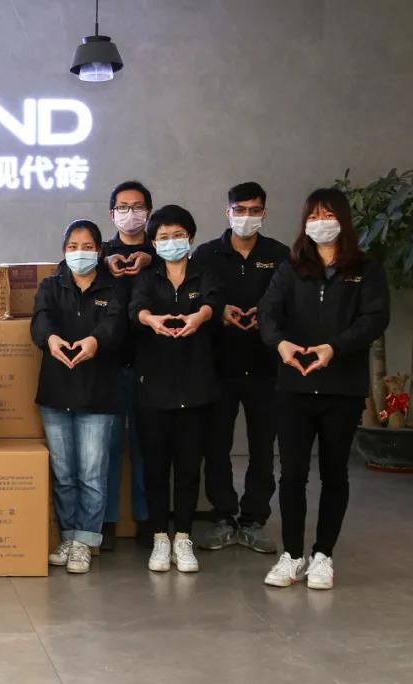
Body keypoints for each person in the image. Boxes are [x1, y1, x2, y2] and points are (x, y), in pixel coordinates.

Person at [259, 188, 390, 590]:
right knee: (292, 474)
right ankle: (292, 555)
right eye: (313, 216)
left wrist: (335, 347)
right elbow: (268, 312)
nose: (320, 223)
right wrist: (280, 344)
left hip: (341, 387)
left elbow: (374, 318)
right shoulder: (291, 267)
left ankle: (323, 555)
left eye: (328, 215)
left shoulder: (366, 269)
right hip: (294, 385)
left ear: (343, 220)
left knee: (335, 473)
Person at [192, 182, 290, 555]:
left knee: (263, 448)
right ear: (228, 211)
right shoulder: (206, 254)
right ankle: (223, 516)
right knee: (216, 446)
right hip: (218, 366)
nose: (247, 217)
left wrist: (266, 318)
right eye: (240, 209)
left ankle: (253, 519)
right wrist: (220, 313)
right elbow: (195, 299)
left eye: (254, 210)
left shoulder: (279, 255)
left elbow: (290, 303)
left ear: (264, 212)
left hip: (266, 367)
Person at [32, 220, 128, 574]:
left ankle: (86, 541)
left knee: (91, 473)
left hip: (98, 392)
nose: (79, 252)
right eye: (73, 246)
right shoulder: (51, 285)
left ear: (99, 251)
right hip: (56, 391)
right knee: (64, 473)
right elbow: (40, 321)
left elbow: (115, 325)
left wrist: (95, 341)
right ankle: (69, 537)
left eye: (87, 246)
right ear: (64, 250)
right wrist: (50, 340)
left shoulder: (114, 287)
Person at [129, 205, 221, 573]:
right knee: (155, 467)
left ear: (190, 237)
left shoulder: (204, 273)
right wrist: (150, 320)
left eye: (178, 235)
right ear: (153, 242)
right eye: (163, 237)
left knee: (188, 466)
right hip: (154, 387)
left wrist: (199, 316)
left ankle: (183, 536)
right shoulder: (148, 278)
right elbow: (135, 308)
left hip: (196, 385)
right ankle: (159, 537)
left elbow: (213, 301)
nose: (171, 242)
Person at [101, 180, 154, 547]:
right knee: (106, 448)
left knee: (145, 447)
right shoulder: (100, 253)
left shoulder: (162, 249)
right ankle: (104, 522)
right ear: (112, 214)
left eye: (137, 207)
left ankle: (146, 520)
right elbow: (67, 270)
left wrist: (155, 259)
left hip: (152, 364)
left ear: (148, 212)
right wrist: (103, 263)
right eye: (123, 207)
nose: (130, 213)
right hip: (107, 364)